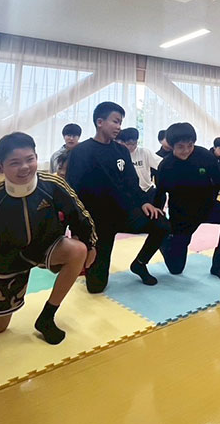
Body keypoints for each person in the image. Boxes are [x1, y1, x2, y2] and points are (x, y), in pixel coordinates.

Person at [0, 132, 96, 345]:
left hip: (48, 246)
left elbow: (79, 214)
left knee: (79, 250)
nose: (24, 167)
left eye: (30, 159)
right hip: (10, 257)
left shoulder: (52, 184)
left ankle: (47, 317)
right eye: (15, 163)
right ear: (1, 168)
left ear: (37, 157)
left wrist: (91, 245)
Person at [65, 102, 170, 292]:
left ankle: (139, 263)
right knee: (96, 288)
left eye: (120, 122)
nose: (119, 127)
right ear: (100, 122)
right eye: (115, 121)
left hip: (125, 213)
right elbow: (73, 191)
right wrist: (78, 229)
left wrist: (144, 202)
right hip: (97, 223)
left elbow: (131, 182)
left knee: (161, 223)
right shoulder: (81, 152)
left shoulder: (121, 151)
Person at [155, 123, 220, 281]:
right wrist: (159, 218)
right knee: (175, 269)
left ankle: (219, 266)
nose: (186, 150)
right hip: (182, 215)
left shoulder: (205, 156)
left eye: (190, 146)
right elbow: (160, 194)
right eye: (180, 147)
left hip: (208, 206)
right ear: (171, 146)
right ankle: (165, 241)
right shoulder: (166, 166)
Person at [116, 127, 161, 194]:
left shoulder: (144, 152)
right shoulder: (118, 154)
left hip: (146, 190)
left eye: (134, 143)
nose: (132, 146)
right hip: (128, 193)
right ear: (122, 142)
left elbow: (162, 164)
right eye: (129, 144)